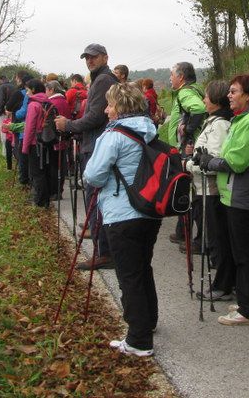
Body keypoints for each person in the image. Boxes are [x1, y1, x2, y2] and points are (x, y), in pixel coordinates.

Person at [83, 83, 161, 357]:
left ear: (121, 107)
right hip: (149, 210)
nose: (106, 110)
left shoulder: (113, 136)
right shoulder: (150, 130)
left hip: (121, 213)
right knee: (142, 267)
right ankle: (148, 321)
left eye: (110, 105)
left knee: (129, 275)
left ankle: (139, 340)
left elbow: (93, 175)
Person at [199, 74, 249, 325]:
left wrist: (210, 162)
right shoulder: (242, 120)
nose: (229, 95)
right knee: (245, 250)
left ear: (248, 96)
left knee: (244, 253)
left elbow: (236, 162)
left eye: (234, 91)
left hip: (242, 193)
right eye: (229, 91)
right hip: (233, 193)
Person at [55, 44, 118, 270]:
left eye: (94, 57)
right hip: (94, 143)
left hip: (96, 146)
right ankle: (105, 250)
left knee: (95, 198)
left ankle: (104, 252)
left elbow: (94, 117)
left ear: (104, 57)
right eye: (87, 58)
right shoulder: (101, 79)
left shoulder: (103, 80)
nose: (89, 61)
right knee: (97, 198)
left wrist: (68, 124)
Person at [185, 80, 234, 299]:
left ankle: (223, 285)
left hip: (211, 191)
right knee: (214, 238)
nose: (203, 99)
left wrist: (186, 164)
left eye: (206, 96)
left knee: (218, 239)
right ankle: (223, 283)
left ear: (215, 99)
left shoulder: (220, 124)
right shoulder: (213, 121)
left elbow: (214, 159)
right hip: (203, 189)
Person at [168, 62, 207, 245]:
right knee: (188, 189)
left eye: (172, 75)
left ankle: (196, 238)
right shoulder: (193, 90)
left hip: (187, 147)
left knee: (188, 190)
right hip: (187, 146)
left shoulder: (185, 92)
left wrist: (188, 130)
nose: (170, 78)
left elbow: (199, 108)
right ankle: (182, 232)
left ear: (181, 76)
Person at [22, 79, 59, 207]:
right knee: (45, 171)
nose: (26, 93)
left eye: (27, 90)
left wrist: (25, 147)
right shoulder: (48, 102)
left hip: (35, 143)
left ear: (33, 90)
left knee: (36, 173)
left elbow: (29, 127)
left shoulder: (33, 105)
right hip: (47, 141)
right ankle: (46, 200)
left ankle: (39, 201)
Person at [6, 71, 32, 187]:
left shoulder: (22, 94)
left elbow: (10, 107)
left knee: (20, 150)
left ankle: (24, 179)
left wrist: (15, 113)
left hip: (21, 125)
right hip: (29, 127)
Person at [0, 75, 15, 169]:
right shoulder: (13, 86)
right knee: (12, 131)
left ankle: (6, 153)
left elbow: (0, 100)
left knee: (4, 133)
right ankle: (13, 152)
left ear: (0, 80)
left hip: (4, 112)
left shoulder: (2, 87)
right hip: (13, 112)